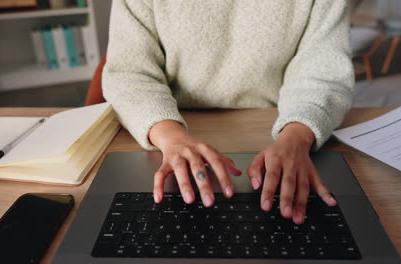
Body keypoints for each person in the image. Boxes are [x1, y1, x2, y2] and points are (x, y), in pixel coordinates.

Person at [102, 0, 354, 225]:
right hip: (167, 132)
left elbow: (323, 72)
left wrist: (298, 135)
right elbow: (130, 72)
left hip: (279, 126)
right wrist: (170, 135)